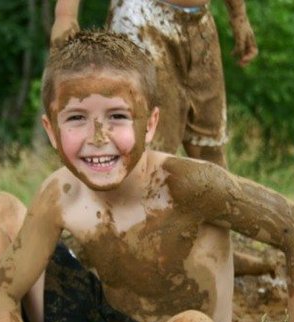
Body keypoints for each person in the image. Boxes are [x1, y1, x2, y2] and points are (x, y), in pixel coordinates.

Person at [0, 30, 294, 322]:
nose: (98, 136)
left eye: (118, 116)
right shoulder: (61, 193)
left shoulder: (190, 185)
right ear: (51, 129)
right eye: (77, 117)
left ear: (152, 123)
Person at [51, 0, 272, 278]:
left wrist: (238, 15)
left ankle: (215, 249)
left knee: (209, 148)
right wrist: (65, 14)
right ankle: (112, 250)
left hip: (200, 24)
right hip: (142, 19)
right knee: (143, 148)